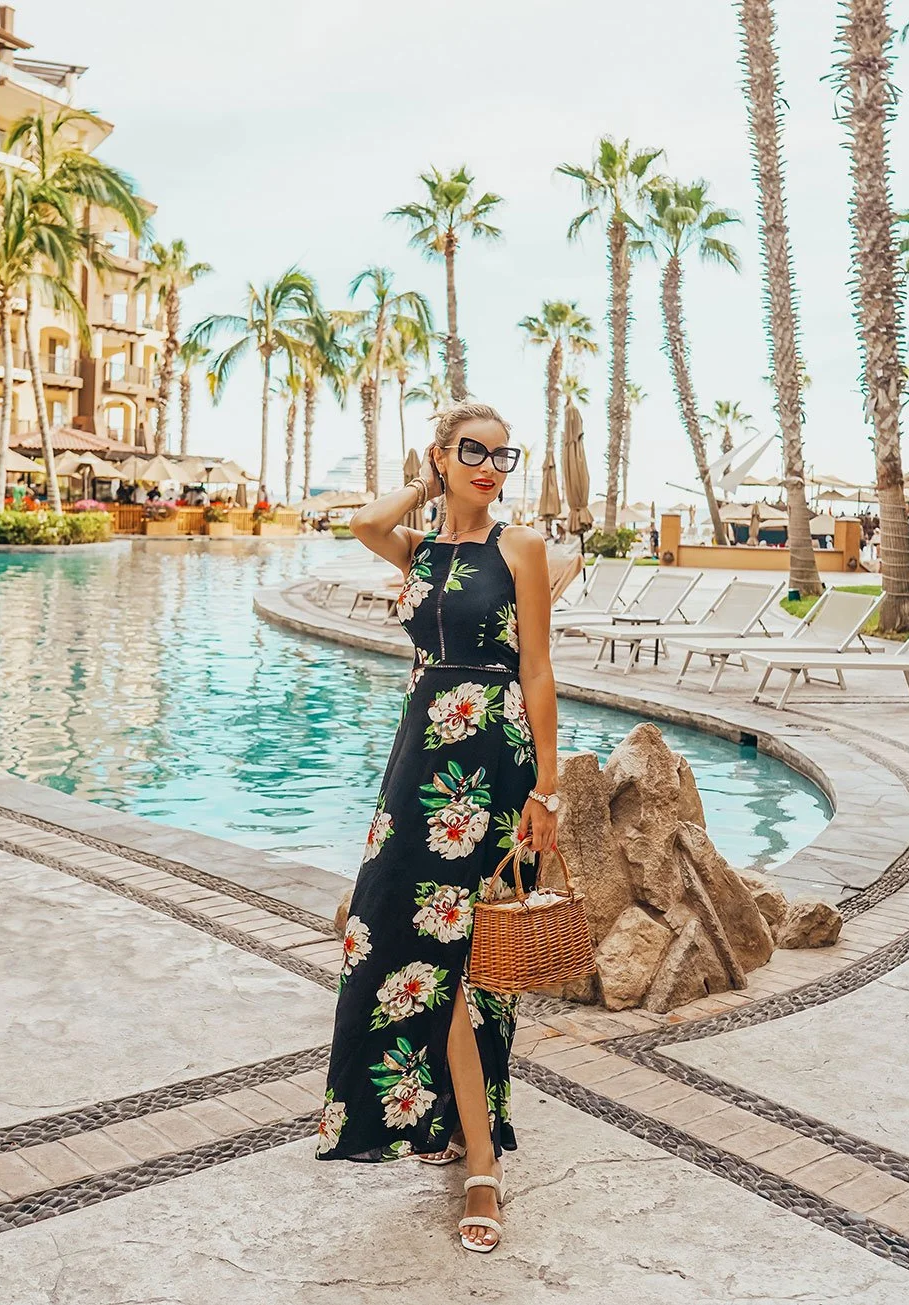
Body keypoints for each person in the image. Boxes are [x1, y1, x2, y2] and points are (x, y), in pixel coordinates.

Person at [315, 400, 560, 1255]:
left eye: (503, 455)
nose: (491, 467)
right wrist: (426, 484)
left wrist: (548, 790)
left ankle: (482, 1161)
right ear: (443, 455)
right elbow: (363, 522)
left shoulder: (520, 548)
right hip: (419, 759)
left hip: (491, 760)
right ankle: (450, 1117)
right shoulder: (418, 550)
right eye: (475, 452)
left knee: (469, 958)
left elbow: (538, 667)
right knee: (391, 934)